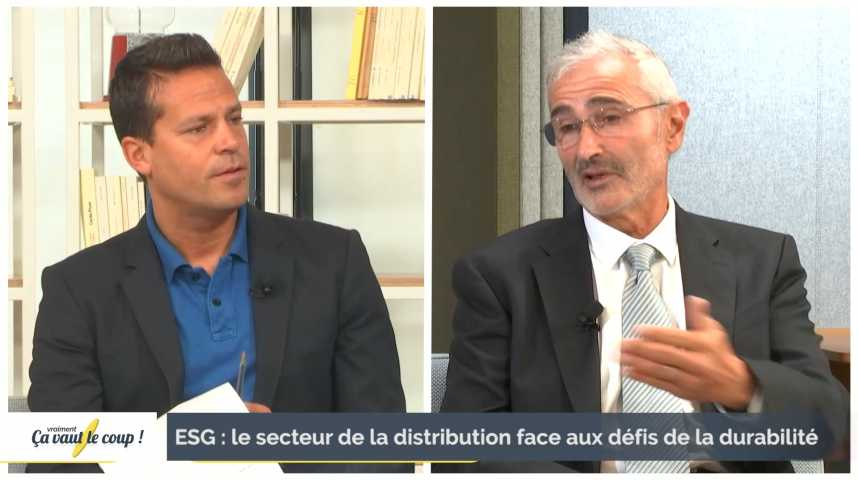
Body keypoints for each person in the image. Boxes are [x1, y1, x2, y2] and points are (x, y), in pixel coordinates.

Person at [439, 31, 848, 473]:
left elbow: (837, 429)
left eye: (609, 117)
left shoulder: (763, 261)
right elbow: (464, 450)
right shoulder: (500, 275)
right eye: (567, 127)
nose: (586, 149)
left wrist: (742, 386)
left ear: (673, 126)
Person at [28, 33, 409, 473]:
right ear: (139, 155)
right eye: (199, 128)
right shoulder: (78, 291)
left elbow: (384, 448)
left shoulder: (334, 262)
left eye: (234, 119)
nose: (229, 141)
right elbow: (57, 464)